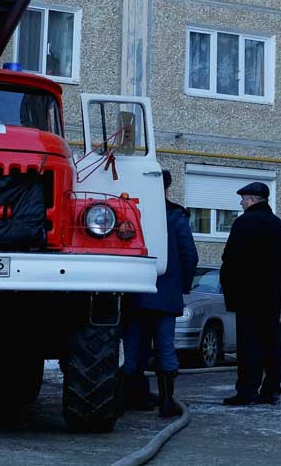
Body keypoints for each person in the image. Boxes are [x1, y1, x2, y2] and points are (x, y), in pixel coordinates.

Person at [121, 169, 198, 418]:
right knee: (165, 348)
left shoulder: (131, 212)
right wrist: (182, 286)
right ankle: (167, 402)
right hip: (165, 295)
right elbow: (189, 256)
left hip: (134, 294)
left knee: (131, 349)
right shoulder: (175, 216)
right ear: (166, 188)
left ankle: (123, 401)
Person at [220, 181, 281, 407]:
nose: (241, 202)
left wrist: (230, 288)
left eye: (243, 198)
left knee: (248, 344)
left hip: (247, 295)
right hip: (271, 296)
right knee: (271, 341)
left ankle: (247, 391)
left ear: (252, 200)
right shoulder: (279, 225)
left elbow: (230, 259)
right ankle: (271, 390)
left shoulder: (243, 223)